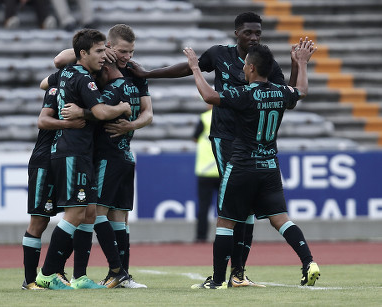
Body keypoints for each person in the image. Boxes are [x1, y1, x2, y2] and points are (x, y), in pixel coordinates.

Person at [127, 11, 307, 287]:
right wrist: (149, 74)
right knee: (241, 208)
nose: (254, 37)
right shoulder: (219, 55)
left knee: (244, 209)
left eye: (258, 32)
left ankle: (236, 273)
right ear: (237, 33)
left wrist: (297, 64)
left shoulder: (263, 61)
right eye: (248, 32)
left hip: (252, 143)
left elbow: (287, 94)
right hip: (226, 138)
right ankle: (234, 274)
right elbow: (188, 68)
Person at [184, 41, 319, 289]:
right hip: (270, 166)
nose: (243, 68)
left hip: (243, 164)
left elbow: (209, 96)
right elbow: (301, 90)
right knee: (281, 219)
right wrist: (301, 63)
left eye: (245, 65)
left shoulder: (246, 94)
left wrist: (194, 67)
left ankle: (216, 281)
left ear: (252, 68)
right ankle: (308, 261)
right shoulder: (281, 92)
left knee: (226, 221)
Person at [53, 23, 152, 288]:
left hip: (122, 154)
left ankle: (119, 274)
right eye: (123, 51)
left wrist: (130, 124)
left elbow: (148, 113)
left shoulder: (134, 73)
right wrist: (94, 53)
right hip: (102, 153)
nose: (128, 57)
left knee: (115, 216)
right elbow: (59, 60)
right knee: (93, 213)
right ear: (109, 47)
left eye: (131, 52)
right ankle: (85, 274)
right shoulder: (96, 66)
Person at [35, 29, 132, 290]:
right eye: (99, 52)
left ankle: (79, 277)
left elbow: (46, 82)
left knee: (88, 213)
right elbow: (101, 112)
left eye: (105, 50)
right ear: (83, 54)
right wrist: (123, 107)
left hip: (74, 151)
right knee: (76, 213)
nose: (104, 57)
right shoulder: (83, 78)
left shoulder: (66, 73)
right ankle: (47, 273)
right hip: (73, 152)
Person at [21, 82, 86, 290]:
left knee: (77, 215)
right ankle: (30, 280)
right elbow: (43, 121)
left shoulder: (85, 89)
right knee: (39, 221)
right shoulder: (57, 88)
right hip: (45, 161)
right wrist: (70, 124)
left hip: (68, 159)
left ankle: (55, 271)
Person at [193, 104, 220, 243]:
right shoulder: (227, 117)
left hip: (205, 171)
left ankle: (201, 238)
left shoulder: (204, 118)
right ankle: (228, 237)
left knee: (204, 207)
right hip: (223, 170)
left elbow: (195, 138)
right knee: (227, 208)